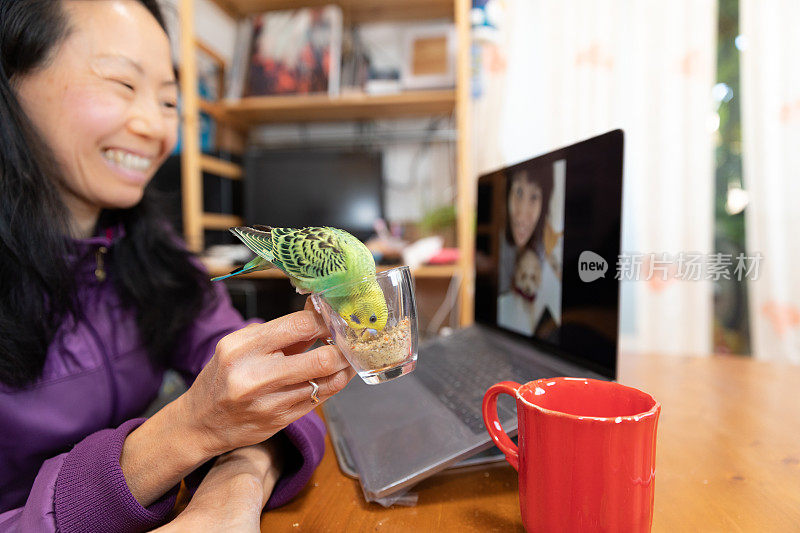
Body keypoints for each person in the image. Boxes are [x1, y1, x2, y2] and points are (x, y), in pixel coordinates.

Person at [0, 1, 355, 531]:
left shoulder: (152, 249)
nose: (155, 126)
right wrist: (186, 430)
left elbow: (258, 376)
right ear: (11, 84)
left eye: (169, 100)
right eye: (122, 84)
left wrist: (231, 489)